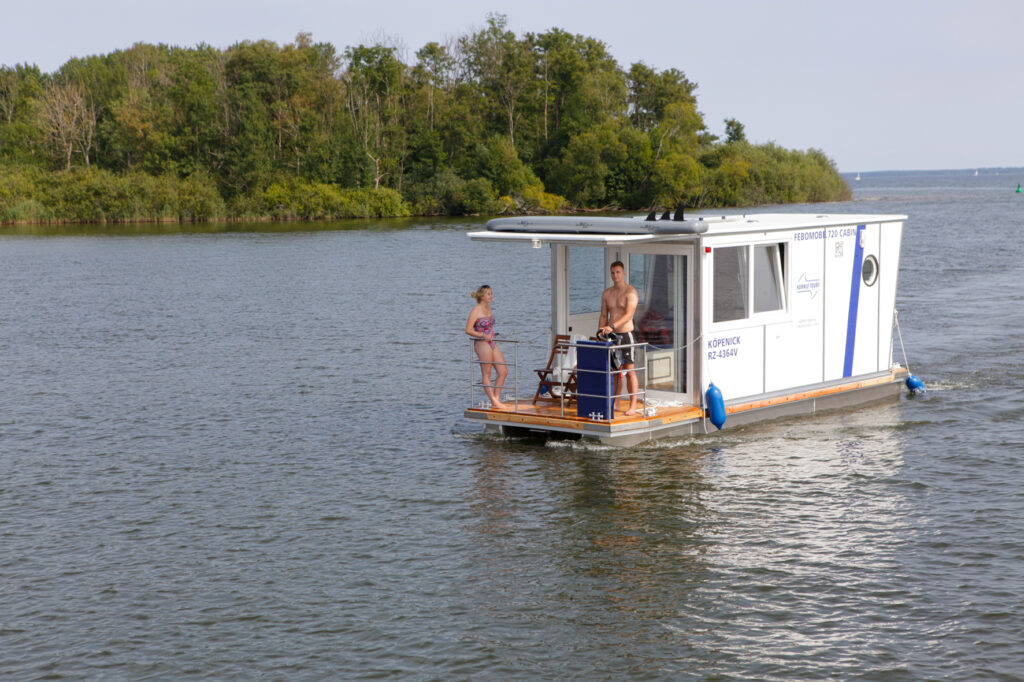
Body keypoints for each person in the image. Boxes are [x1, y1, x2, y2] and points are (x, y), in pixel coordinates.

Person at [598, 261, 640, 416]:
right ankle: (616, 401)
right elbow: (603, 315)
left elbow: (629, 315)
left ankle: (633, 405)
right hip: (611, 336)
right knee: (615, 371)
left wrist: (612, 326)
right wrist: (601, 332)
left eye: (618, 272)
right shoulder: (607, 293)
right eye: (612, 273)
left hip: (626, 335)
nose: (615, 275)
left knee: (630, 371)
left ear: (623, 273)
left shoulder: (631, 292)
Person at [465, 285, 510, 410]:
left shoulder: (488, 308)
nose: (491, 296)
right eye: (489, 294)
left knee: (503, 371)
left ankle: (495, 399)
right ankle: (494, 401)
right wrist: (482, 335)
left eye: (491, 293)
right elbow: (468, 330)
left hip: (492, 341)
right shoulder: (476, 310)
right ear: (482, 296)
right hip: (481, 342)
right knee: (487, 373)